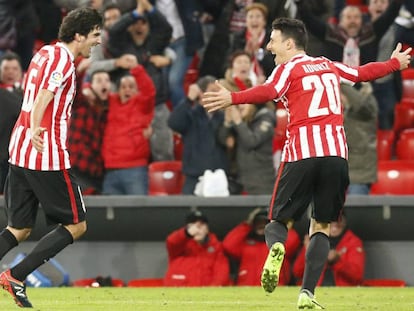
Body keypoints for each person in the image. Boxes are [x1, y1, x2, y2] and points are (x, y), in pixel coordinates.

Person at [202, 17, 411, 309]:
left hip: (302, 152)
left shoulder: (287, 69)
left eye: (273, 40)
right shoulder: (327, 64)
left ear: (289, 43)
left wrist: (233, 98)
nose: (269, 45)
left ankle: (276, 247)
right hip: (336, 154)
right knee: (322, 226)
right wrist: (393, 64)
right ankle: (307, 295)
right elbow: (362, 74)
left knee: (278, 221)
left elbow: (269, 91)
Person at [0, 8, 102, 308]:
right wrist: (35, 130)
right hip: (46, 153)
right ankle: (16, 276)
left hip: (19, 151)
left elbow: (46, 87)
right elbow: (45, 94)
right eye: (95, 35)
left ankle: (14, 276)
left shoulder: (46, 52)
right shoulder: (62, 60)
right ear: (79, 35)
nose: (97, 41)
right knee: (76, 225)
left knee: (18, 228)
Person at [167, 75, 229, 194]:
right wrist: (189, 99)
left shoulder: (224, 116)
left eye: (218, 92)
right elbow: (173, 123)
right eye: (213, 91)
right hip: (193, 176)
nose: (217, 95)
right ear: (201, 93)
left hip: (218, 176)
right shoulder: (190, 114)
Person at [102, 63, 155, 195]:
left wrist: (137, 69)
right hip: (110, 169)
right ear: (118, 90)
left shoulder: (142, 105)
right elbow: (94, 90)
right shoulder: (112, 102)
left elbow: (149, 92)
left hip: (135, 169)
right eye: (123, 87)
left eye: (131, 87)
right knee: (109, 214)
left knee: (138, 213)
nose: (127, 90)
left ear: (138, 90)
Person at [223, 207, 301, 286]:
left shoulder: (277, 245)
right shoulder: (246, 244)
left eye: (265, 223)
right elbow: (228, 245)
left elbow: (293, 241)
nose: (261, 225)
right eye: (258, 222)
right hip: (246, 289)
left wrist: (282, 226)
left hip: (273, 289)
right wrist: (247, 224)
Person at [67, 70, 111, 194]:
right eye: (99, 80)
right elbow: (73, 88)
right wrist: (80, 70)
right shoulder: (82, 103)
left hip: (98, 172)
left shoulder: (109, 110)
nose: (104, 84)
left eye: (107, 81)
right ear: (90, 85)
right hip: (79, 168)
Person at [292, 213, 365, 286]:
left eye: (338, 220)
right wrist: (309, 252)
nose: (335, 223)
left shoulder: (352, 242)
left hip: (342, 290)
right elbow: (297, 272)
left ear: (344, 222)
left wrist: (337, 261)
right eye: (331, 220)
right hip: (317, 289)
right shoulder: (316, 240)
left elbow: (357, 276)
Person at [164, 210, 230, 286]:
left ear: (207, 229)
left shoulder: (216, 248)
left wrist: (213, 291)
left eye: (201, 225)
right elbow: (171, 241)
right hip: (178, 294)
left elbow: (221, 273)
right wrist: (187, 233)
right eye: (193, 225)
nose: (197, 229)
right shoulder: (180, 245)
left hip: (205, 295)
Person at [342, 83, 378, 195]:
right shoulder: (345, 110)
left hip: (360, 173)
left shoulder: (368, 104)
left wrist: (342, 83)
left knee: (356, 211)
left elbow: (361, 105)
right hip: (345, 171)